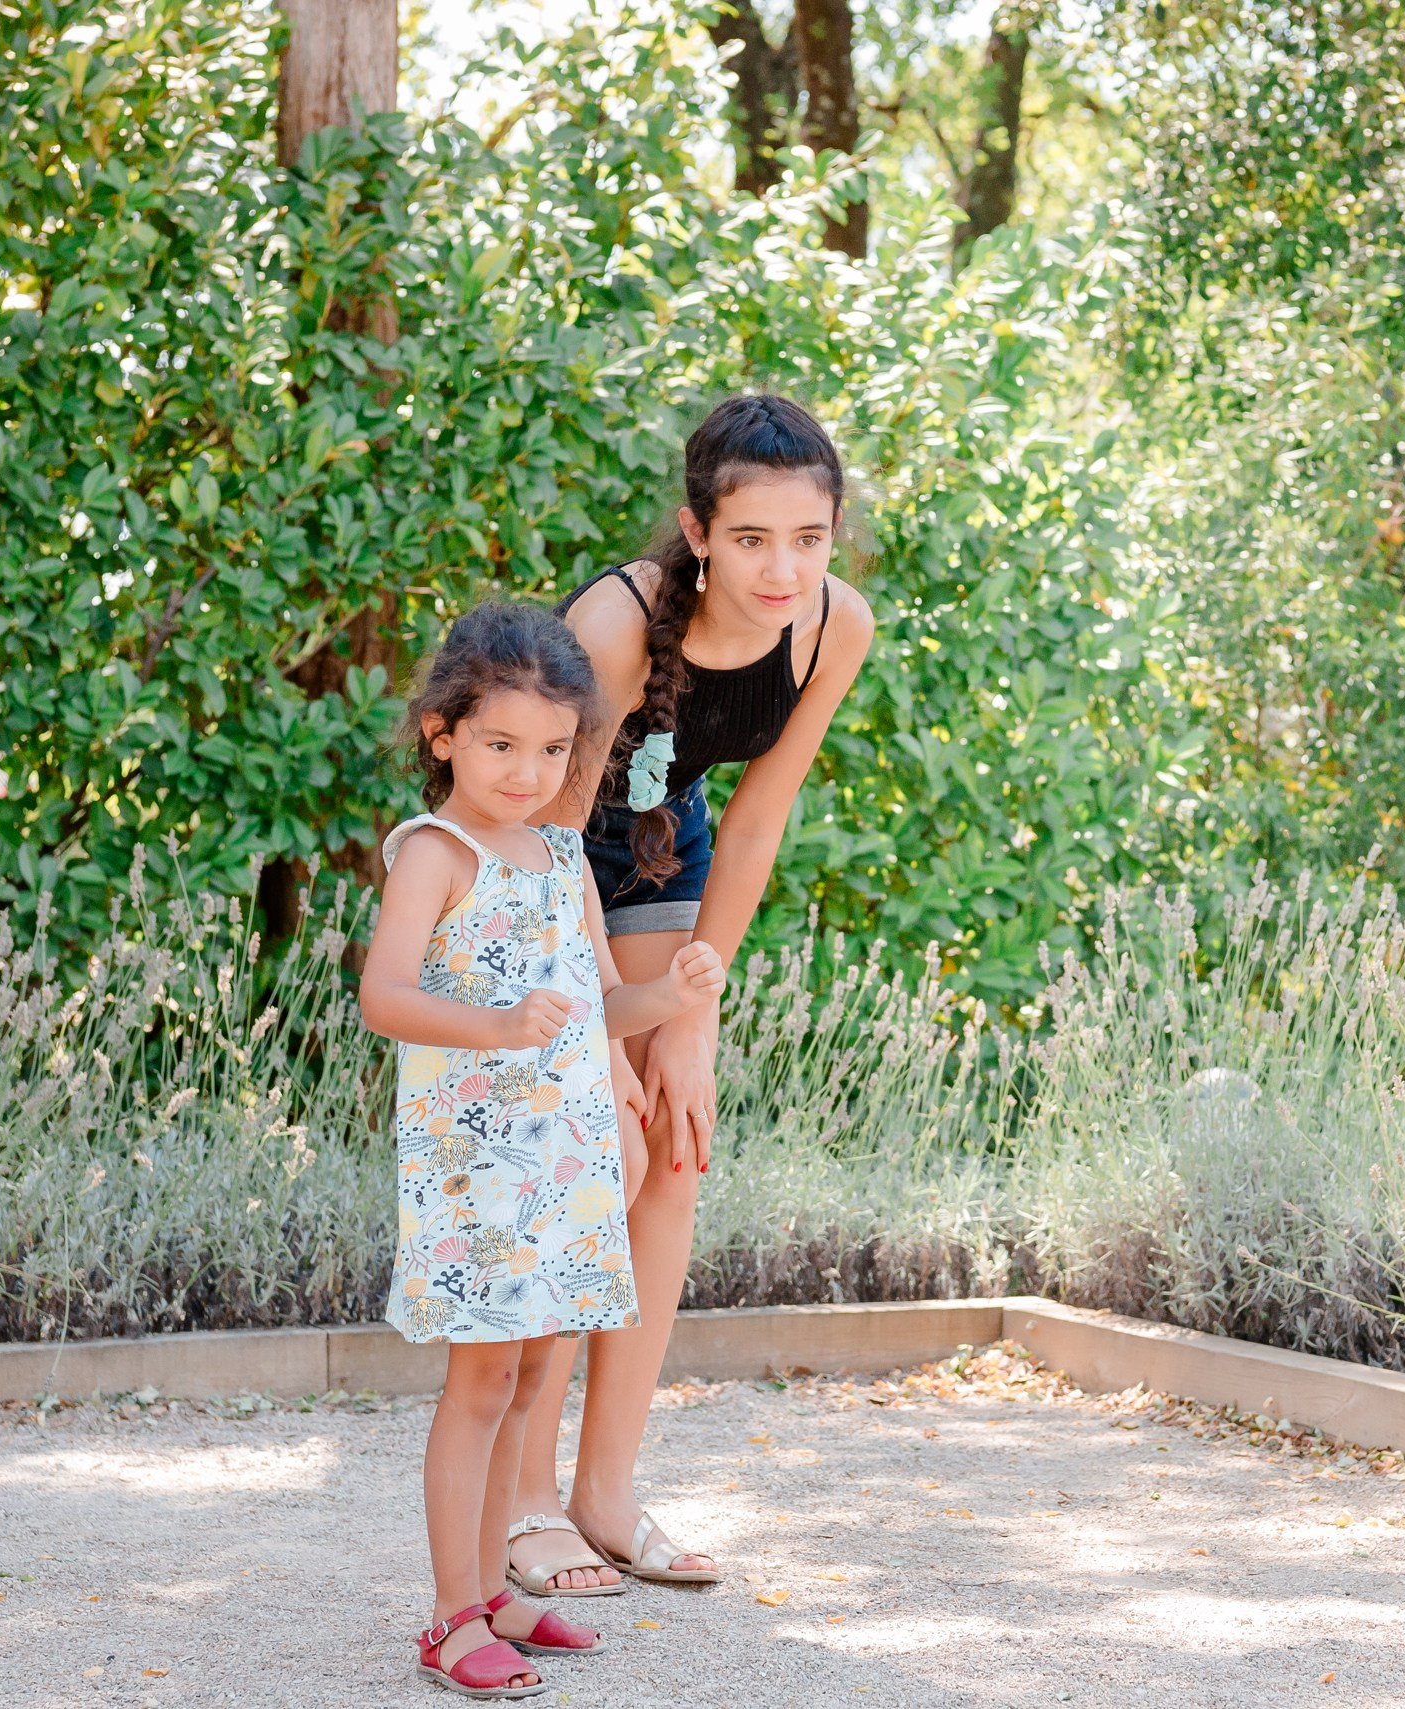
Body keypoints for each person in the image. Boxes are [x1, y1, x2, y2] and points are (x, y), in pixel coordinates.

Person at [498, 394, 875, 1596]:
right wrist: (606, 1038)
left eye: (808, 539)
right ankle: (520, 1495)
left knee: (675, 1143)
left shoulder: (834, 627)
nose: (782, 570)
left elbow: (757, 819)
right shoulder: (616, 622)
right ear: (698, 530)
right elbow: (549, 836)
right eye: (751, 538)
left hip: (668, 848)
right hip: (540, 856)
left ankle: (606, 1491)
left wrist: (689, 1019)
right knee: (596, 1145)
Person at [358, 600, 728, 1692]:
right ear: (444, 736)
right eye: (501, 745)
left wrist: (675, 992)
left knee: (527, 1382)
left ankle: (496, 1592)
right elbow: (384, 996)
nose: (528, 773)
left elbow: (599, 1006)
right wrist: (494, 1024)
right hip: (478, 1168)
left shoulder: (565, 855)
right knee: (480, 1383)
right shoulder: (435, 853)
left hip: (560, 1165)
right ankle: (448, 1617)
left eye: (554, 750)